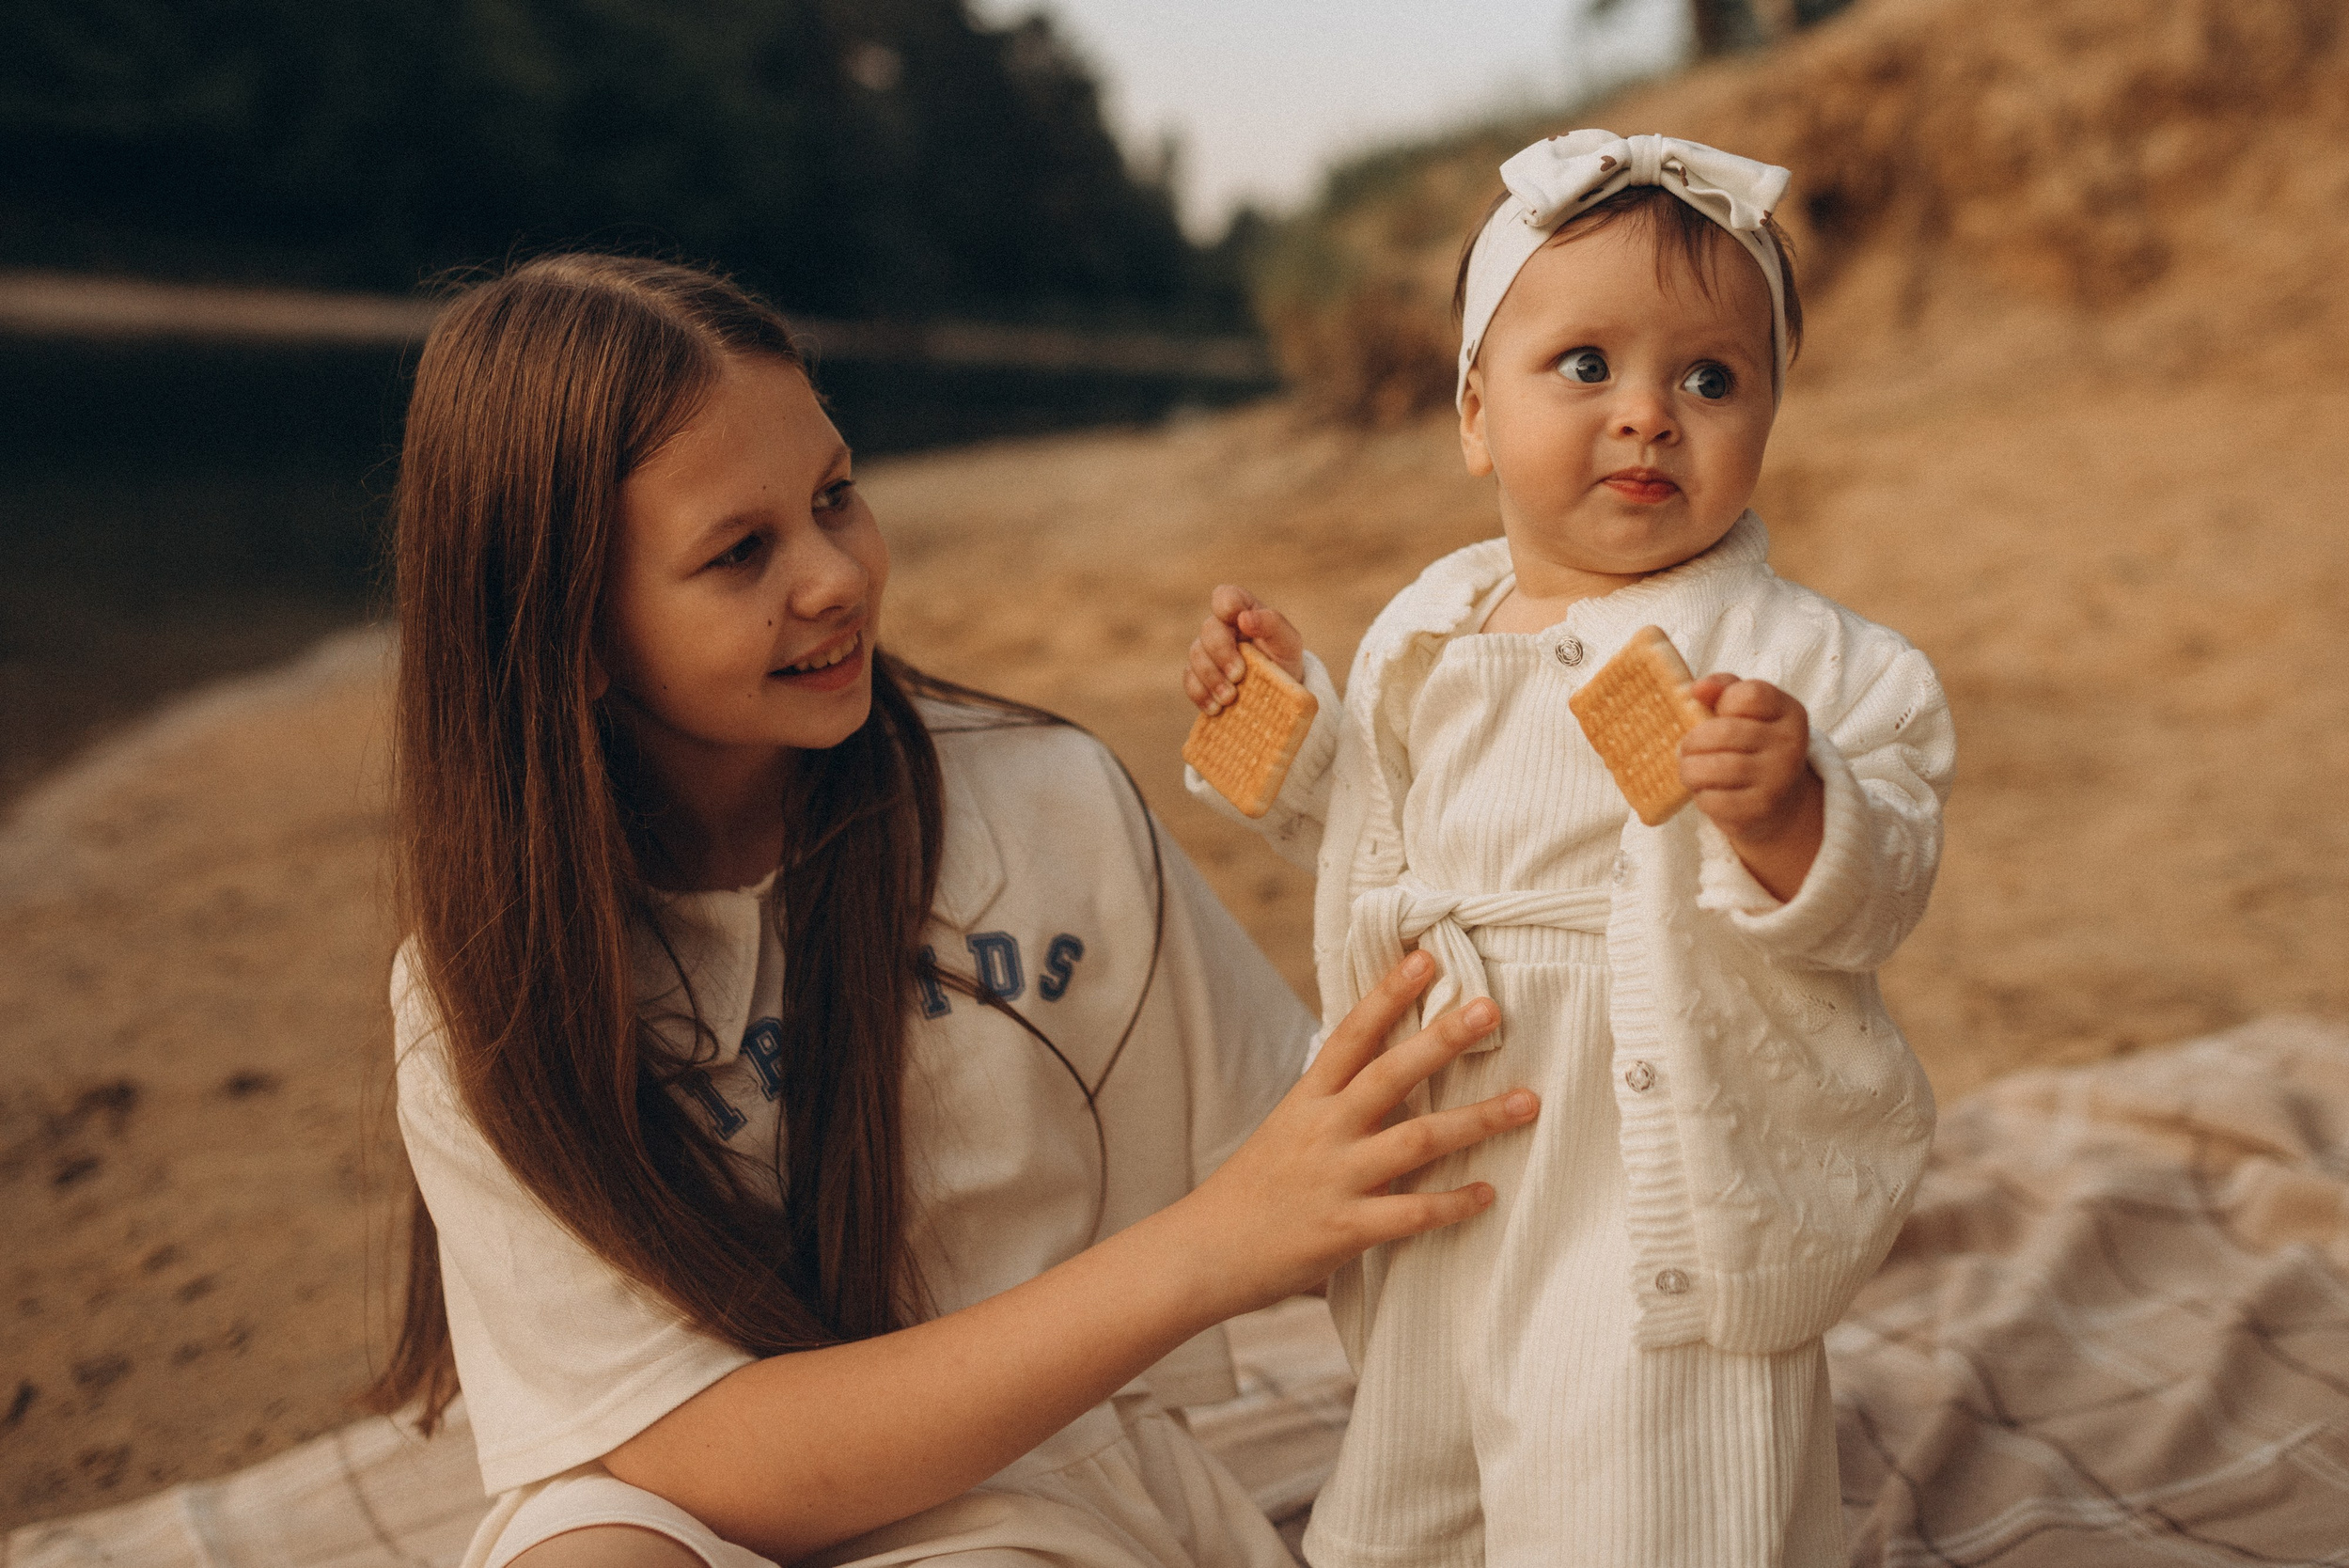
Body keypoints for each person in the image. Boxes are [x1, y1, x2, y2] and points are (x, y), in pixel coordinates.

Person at [365, 253, 1544, 1568]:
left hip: (1018, 1487)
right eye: (741, 551)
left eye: (834, 497)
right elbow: (690, 1458)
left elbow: (1329, 1162)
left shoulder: (1042, 809)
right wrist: (1202, 1256)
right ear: (570, 634)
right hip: (677, 1505)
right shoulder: (489, 982)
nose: (832, 576)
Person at [1181, 132, 1955, 1566]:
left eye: (1710, 378)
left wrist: (1795, 811)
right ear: (1476, 415)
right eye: (1586, 366)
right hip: (1452, 1121)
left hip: (1640, 1142)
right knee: (1425, 1456)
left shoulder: (1800, 661)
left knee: (1642, 1458)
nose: (1649, 415)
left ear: (1771, 416)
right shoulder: (1435, 621)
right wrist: (1282, 736)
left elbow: (1884, 877)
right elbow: (1390, 834)